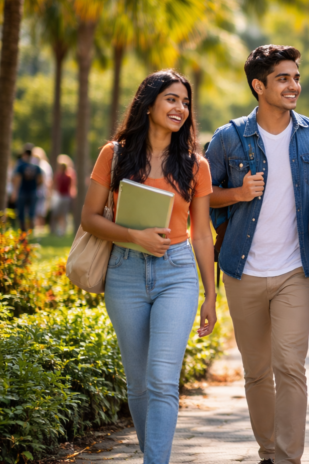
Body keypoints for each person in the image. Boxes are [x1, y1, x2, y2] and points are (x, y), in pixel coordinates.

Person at [81, 70, 217, 464]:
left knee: (161, 380)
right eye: (172, 99)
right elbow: (90, 218)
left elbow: (202, 234)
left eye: (185, 102)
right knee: (139, 383)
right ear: (149, 104)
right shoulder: (116, 154)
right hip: (124, 271)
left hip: (176, 272)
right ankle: (152, 451)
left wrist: (211, 294)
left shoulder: (195, 164)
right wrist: (133, 236)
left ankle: (154, 460)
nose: (180, 108)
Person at [205, 45, 309, 464]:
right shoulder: (229, 138)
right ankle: (268, 451)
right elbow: (202, 199)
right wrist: (238, 194)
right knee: (257, 371)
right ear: (259, 86)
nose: (294, 85)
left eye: (296, 76)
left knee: (290, 366)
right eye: (283, 78)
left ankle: (287, 459)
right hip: (243, 271)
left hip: (297, 269)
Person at [11, 145, 43, 232]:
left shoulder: (21, 165)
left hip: (22, 191)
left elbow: (17, 179)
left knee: (21, 213)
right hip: (33, 191)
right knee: (31, 213)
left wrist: (14, 192)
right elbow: (40, 179)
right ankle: (31, 231)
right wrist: (36, 186)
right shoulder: (36, 166)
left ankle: (23, 231)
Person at [52, 156, 76, 236]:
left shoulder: (68, 176)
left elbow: (71, 186)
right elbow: (54, 184)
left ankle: (63, 230)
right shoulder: (58, 175)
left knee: (64, 213)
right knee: (58, 213)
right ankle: (60, 228)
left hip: (66, 196)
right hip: (59, 196)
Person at [32, 146, 53, 229]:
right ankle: (36, 227)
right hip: (36, 190)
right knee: (37, 210)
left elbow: (48, 180)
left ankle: (40, 227)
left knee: (41, 210)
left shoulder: (45, 165)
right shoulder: (42, 165)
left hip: (42, 190)